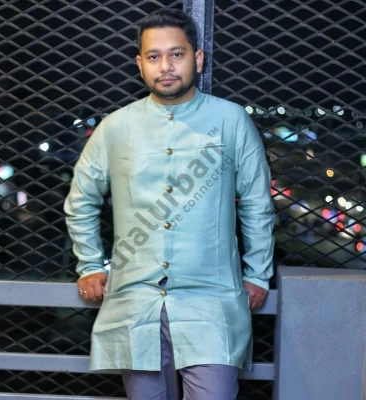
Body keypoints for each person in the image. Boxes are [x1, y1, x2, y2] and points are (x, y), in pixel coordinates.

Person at [64, 8, 275, 400]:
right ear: (140, 64)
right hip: (135, 301)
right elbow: (81, 199)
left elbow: (256, 203)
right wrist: (90, 265)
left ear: (198, 59)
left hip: (210, 300)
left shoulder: (231, 121)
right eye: (154, 56)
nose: (166, 66)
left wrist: (258, 274)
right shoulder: (116, 127)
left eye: (177, 54)